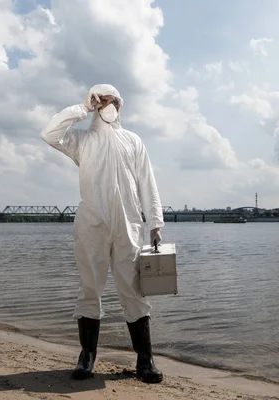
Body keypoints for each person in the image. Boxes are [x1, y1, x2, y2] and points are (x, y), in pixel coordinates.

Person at [40, 84, 165, 383]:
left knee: (133, 290)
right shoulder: (81, 140)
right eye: (101, 100)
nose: (107, 105)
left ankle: (145, 360)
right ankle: (87, 358)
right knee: (89, 289)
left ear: (121, 105)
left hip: (128, 225)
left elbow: (147, 182)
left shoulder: (133, 141)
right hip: (92, 224)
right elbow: (49, 134)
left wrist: (155, 224)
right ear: (95, 104)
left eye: (112, 101)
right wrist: (81, 108)